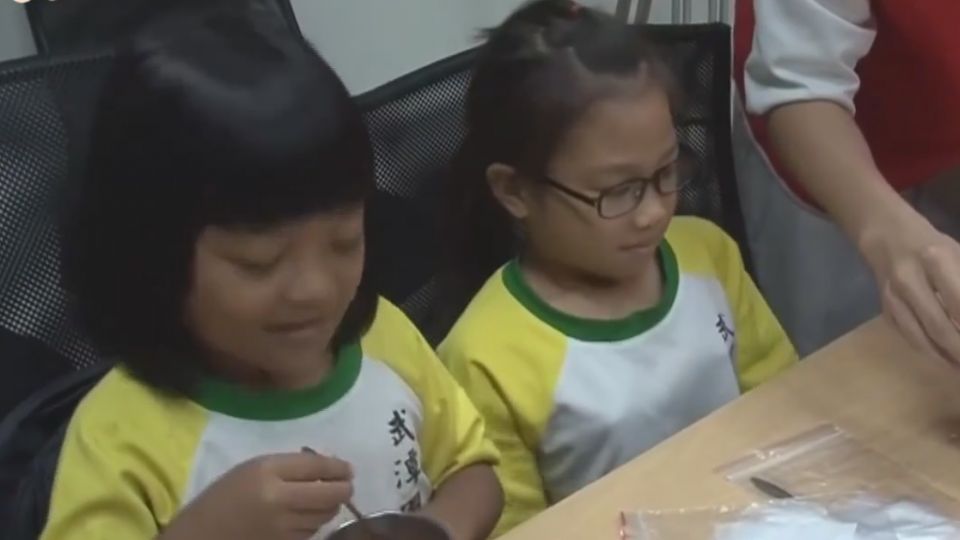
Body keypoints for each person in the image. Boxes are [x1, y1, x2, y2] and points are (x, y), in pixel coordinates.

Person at [40, 7, 502, 540]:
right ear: (153, 260)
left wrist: (437, 529)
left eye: (344, 243)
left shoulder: (383, 337)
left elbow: (473, 470)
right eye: (258, 263)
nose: (315, 290)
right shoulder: (119, 437)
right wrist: (208, 531)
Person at [437, 1, 797, 535]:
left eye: (666, 171)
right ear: (515, 190)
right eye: (619, 191)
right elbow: (519, 529)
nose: (654, 212)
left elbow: (783, 404)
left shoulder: (707, 254)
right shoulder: (484, 356)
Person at [736, 1, 960, 362]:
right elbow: (802, 84)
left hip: (945, 121)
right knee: (845, 361)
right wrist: (885, 234)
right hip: (831, 140)